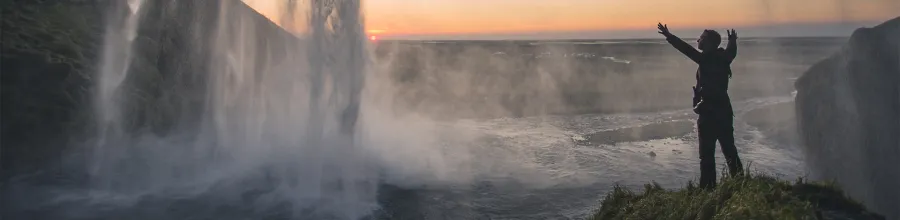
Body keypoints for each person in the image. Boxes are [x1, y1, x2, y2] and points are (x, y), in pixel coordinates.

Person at [657, 23, 744, 189]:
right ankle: (741, 184)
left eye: (702, 38)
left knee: (707, 156)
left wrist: (669, 36)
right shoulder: (723, 58)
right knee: (730, 151)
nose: (698, 40)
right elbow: (731, 51)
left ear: (710, 43)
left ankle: (707, 189)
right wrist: (732, 41)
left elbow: (686, 49)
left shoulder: (706, 59)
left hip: (709, 113)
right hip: (724, 112)